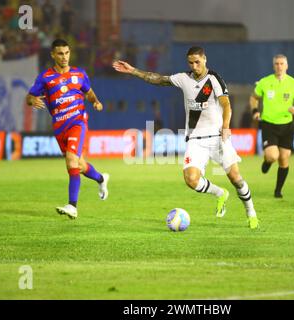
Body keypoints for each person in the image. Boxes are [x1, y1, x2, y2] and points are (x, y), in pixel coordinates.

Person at [113, 46, 259, 230]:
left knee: (236, 178)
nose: (194, 65)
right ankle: (220, 193)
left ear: (205, 59)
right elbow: (158, 79)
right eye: (191, 62)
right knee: (191, 179)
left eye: (197, 62)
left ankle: (251, 213)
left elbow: (226, 105)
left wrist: (226, 126)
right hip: (196, 139)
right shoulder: (184, 78)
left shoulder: (214, 79)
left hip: (217, 137)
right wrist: (133, 71)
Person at [26, 39, 109, 219]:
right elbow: (29, 97)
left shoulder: (79, 74)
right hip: (59, 127)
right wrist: (33, 100)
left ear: (70, 53)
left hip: (77, 123)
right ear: (53, 55)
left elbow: (89, 92)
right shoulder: (45, 77)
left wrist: (95, 101)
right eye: (60, 54)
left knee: (71, 161)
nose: (64, 57)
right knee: (78, 164)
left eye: (67, 53)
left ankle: (72, 206)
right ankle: (101, 179)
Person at [250, 54, 294, 198]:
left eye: (282, 64)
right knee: (272, 156)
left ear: (286, 66)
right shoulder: (265, 82)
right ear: (273, 65)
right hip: (269, 124)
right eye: (277, 64)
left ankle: (278, 191)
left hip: (287, 125)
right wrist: (255, 110)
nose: (279, 66)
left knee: (284, 159)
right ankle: (267, 161)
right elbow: (254, 98)